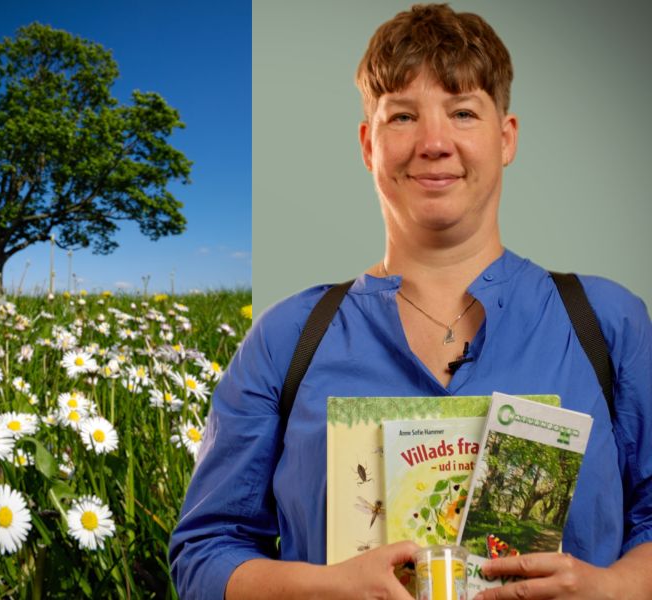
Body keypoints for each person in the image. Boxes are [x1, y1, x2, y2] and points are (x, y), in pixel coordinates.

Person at [169, 4, 652, 599]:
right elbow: (203, 555)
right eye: (402, 116)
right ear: (369, 145)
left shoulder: (608, 323)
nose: (433, 142)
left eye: (463, 112)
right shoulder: (285, 338)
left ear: (506, 139)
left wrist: (617, 588)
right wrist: (316, 591)